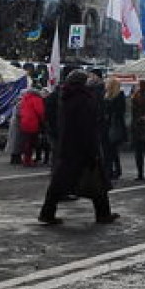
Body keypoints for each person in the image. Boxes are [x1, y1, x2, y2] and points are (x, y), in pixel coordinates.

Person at [37, 70, 118, 225]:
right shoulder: (85, 99)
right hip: (83, 146)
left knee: (59, 182)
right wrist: (93, 148)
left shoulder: (63, 97)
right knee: (97, 183)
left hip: (67, 146)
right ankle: (103, 214)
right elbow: (88, 127)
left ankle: (47, 213)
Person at [102, 77, 127, 180]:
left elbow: (118, 112)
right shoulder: (108, 96)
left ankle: (110, 170)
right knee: (112, 151)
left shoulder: (118, 97)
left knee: (110, 150)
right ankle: (115, 170)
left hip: (113, 126)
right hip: (110, 126)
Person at [17, 85, 45, 167]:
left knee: (26, 142)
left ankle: (26, 159)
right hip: (33, 122)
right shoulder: (37, 99)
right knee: (31, 143)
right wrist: (43, 121)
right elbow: (40, 111)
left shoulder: (25, 99)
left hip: (24, 122)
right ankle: (28, 160)